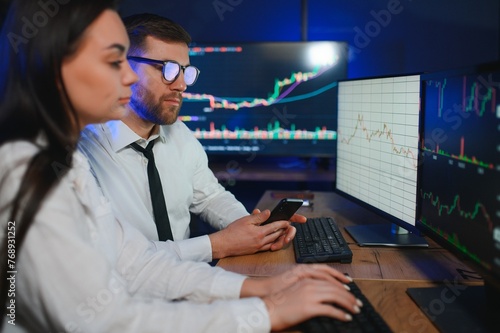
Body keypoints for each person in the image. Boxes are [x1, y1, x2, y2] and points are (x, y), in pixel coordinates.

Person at [0, 1, 362, 332]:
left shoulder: (66, 163)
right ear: (53, 64)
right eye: (114, 61)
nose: (125, 77)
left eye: (185, 72)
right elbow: (104, 321)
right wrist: (265, 312)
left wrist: (260, 286)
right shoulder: (24, 175)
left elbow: (136, 264)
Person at [78, 13, 305, 263]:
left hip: (188, 281)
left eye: (185, 71)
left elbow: (210, 196)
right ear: (123, 67)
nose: (181, 85)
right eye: (167, 69)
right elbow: (116, 258)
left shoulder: (179, 134)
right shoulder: (82, 153)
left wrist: (253, 230)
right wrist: (220, 244)